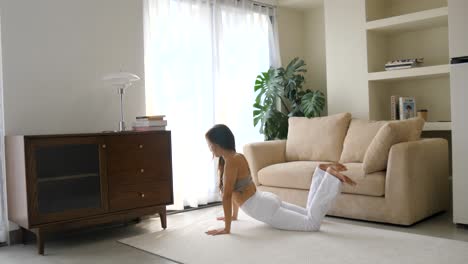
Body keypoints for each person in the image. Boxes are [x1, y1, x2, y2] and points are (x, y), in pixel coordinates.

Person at [204, 124, 357, 236]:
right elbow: (236, 191)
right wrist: (234, 216)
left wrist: (227, 228)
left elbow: (228, 196)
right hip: (264, 199)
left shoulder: (230, 162)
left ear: (218, 145)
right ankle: (321, 173)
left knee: (312, 224)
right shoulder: (238, 157)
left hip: (262, 208)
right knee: (308, 213)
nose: (210, 149)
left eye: (210, 146)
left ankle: (329, 177)